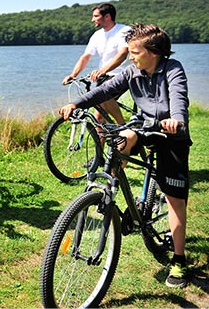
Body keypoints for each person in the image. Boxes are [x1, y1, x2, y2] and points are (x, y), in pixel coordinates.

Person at [58, 23, 192, 288]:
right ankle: (108, 190)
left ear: (153, 52)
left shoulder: (173, 69)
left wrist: (176, 119)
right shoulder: (133, 71)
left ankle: (178, 259)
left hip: (171, 135)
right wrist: (77, 103)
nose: (130, 56)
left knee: (175, 200)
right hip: (143, 126)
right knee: (123, 138)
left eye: (135, 52)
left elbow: (179, 98)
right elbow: (104, 91)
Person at [62, 3, 130, 124]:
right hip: (103, 77)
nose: (92, 19)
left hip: (121, 75)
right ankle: (100, 143)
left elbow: (123, 54)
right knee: (98, 118)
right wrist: (74, 74)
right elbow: (86, 56)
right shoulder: (97, 35)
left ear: (107, 16)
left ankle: (123, 127)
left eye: (95, 16)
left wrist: (103, 70)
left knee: (104, 94)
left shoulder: (124, 31)